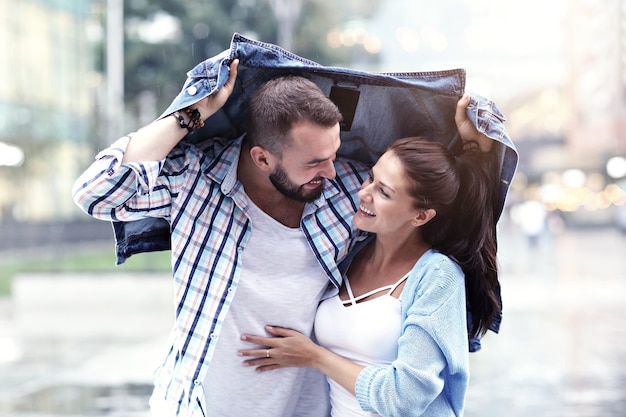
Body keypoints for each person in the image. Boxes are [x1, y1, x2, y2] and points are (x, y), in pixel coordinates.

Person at [73, 56, 498, 415]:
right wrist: (189, 114)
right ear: (262, 158)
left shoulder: (345, 190)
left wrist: (476, 151)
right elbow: (96, 194)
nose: (333, 172)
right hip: (196, 405)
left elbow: (428, 195)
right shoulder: (193, 182)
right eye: (315, 162)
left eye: (334, 154)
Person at [238, 135, 500, 416]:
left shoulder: (438, 276)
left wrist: (313, 356)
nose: (364, 193)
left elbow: (404, 399)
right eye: (370, 178)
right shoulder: (348, 252)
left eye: (384, 192)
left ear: (420, 216)